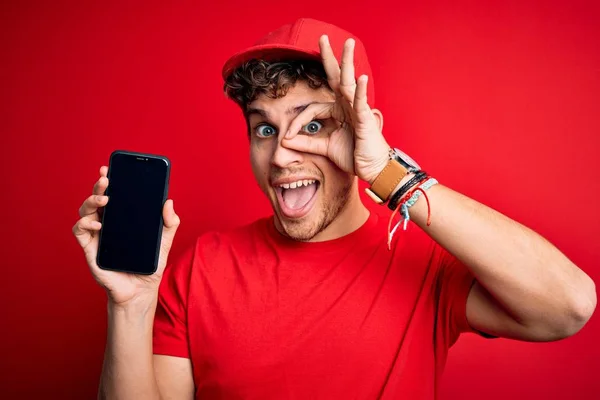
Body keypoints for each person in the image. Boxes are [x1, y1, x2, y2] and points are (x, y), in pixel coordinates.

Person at [72, 18, 596, 400]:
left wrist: (387, 173)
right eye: (264, 128)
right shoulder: (201, 268)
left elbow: (568, 306)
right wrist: (130, 305)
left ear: (361, 130)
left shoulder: (422, 260)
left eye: (314, 126)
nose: (281, 155)